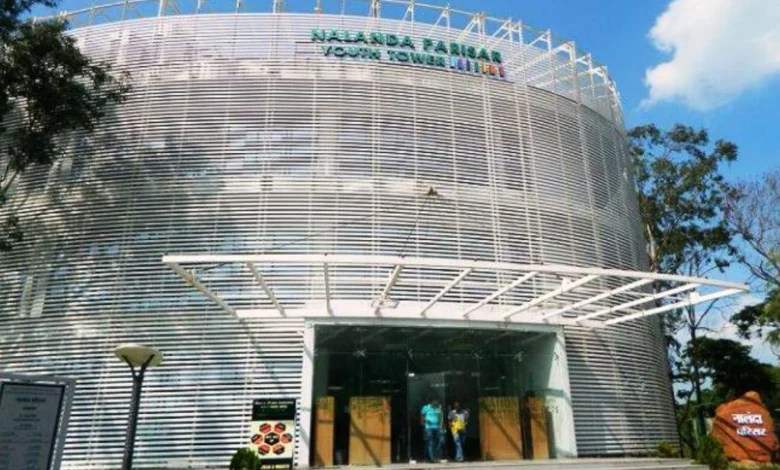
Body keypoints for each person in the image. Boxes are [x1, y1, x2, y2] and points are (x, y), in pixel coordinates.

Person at [420, 397, 443, 462]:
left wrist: (441, 426)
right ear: (432, 401)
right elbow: (422, 416)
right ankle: (432, 458)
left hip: (437, 428)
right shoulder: (425, 407)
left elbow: (440, 418)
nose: (437, 402)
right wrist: (425, 421)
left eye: (437, 401)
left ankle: (435, 456)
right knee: (430, 442)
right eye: (436, 401)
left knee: (440, 441)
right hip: (428, 428)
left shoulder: (438, 408)